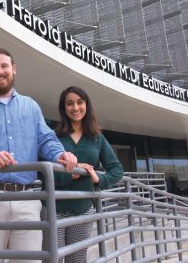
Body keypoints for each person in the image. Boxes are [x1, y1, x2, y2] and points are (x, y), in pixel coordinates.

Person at [0, 47, 78, 263]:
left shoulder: (31, 106)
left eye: (4, 66)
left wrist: (60, 154)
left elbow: (45, 139)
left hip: (27, 200)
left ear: (14, 69)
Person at [42, 86, 124, 263]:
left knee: (77, 259)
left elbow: (116, 170)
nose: (75, 107)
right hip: (53, 208)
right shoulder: (53, 136)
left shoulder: (97, 138)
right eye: (69, 103)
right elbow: (42, 172)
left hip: (83, 210)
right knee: (51, 259)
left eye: (80, 102)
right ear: (64, 108)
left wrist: (99, 178)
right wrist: (71, 174)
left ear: (87, 105)